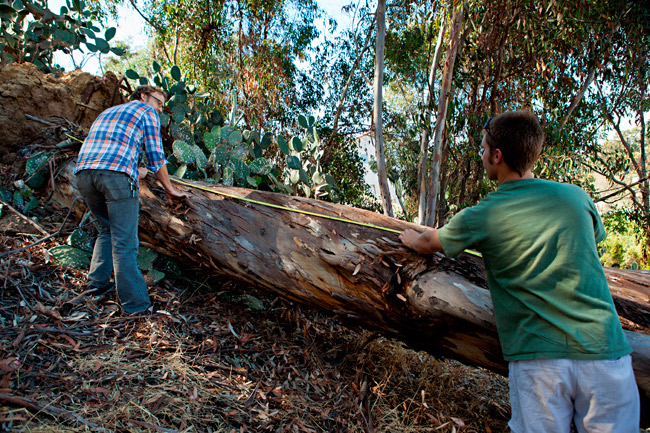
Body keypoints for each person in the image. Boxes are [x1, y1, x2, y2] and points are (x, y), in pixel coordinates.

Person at [399, 110, 639, 432]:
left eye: (484, 149)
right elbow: (592, 241)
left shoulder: (484, 214)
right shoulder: (576, 197)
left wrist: (410, 239)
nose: (482, 155)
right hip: (605, 352)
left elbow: (430, 242)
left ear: (497, 156)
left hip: (539, 360)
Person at [74, 85, 190, 315]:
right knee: (125, 242)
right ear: (143, 96)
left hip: (84, 175)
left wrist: (139, 171)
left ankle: (96, 287)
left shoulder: (108, 112)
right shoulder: (146, 112)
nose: (159, 108)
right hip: (116, 178)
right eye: (158, 102)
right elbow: (156, 155)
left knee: (106, 230)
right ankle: (135, 306)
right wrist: (170, 189)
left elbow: (116, 153)